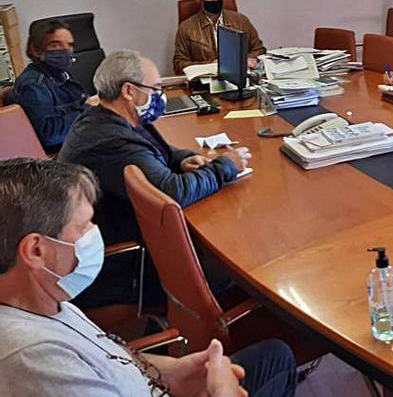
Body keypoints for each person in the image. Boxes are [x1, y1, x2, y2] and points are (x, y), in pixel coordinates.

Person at [0, 158, 296, 396]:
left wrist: (171, 373)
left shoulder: (44, 297)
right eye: (85, 225)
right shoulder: (36, 363)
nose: (94, 234)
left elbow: (105, 356)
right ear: (36, 251)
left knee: (276, 356)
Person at [59, 50, 250, 309]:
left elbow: (155, 148)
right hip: (123, 261)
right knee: (237, 259)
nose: (159, 95)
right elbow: (173, 193)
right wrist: (227, 165)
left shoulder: (108, 117)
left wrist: (182, 159)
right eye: (156, 88)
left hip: (128, 234)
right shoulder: (113, 142)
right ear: (129, 91)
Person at [8, 20, 96, 153]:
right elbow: (49, 135)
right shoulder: (33, 86)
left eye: (69, 45)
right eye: (55, 45)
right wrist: (88, 109)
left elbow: (72, 107)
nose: (65, 51)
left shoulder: (60, 74)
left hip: (79, 142)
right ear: (35, 50)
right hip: (60, 157)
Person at [173, 0, 266, 74]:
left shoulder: (241, 21)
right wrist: (210, 65)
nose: (215, 0)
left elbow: (260, 50)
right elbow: (179, 64)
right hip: (205, 83)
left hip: (238, 77)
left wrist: (241, 60)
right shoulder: (186, 28)